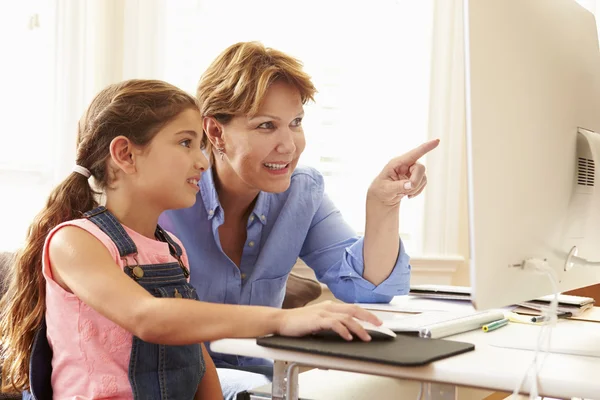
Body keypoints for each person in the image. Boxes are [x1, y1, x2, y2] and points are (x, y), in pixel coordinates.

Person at [0, 79, 381, 399]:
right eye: (186, 143)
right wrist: (281, 320)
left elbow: (195, 354)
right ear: (125, 154)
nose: (202, 160)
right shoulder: (76, 243)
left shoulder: (170, 250)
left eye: (201, 145)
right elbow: (149, 318)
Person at [158, 41, 439, 398]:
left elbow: (370, 289)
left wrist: (382, 205)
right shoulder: (168, 197)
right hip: (183, 382)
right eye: (266, 126)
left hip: (268, 381)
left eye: (295, 123)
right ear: (215, 133)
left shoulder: (300, 193)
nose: (288, 145)